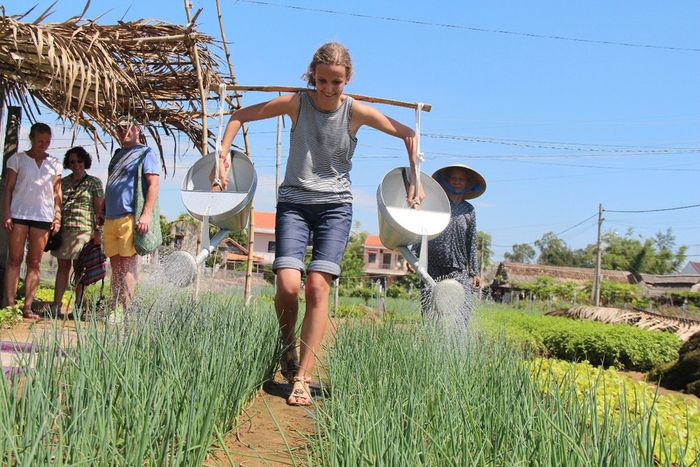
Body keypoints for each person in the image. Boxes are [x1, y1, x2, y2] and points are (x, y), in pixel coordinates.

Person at [216, 42, 422, 406]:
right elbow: (238, 117)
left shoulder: (356, 112)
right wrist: (223, 157)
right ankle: (287, 348)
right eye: (322, 80)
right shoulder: (297, 103)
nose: (327, 89)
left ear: (348, 80)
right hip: (294, 203)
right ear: (312, 74)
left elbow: (409, 133)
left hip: (334, 208)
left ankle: (303, 377)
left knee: (316, 287)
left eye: (336, 82)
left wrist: (416, 181)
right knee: (288, 284)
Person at [2, 123, 62, 320]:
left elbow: (57, 193)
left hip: (43, 216)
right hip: (19, 213)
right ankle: (10, 305)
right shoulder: (17, 159)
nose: (43, 145)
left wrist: (57, 215)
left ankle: (28, 307)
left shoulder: (54, 163)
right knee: (15, 259)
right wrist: (7, 213)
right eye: (40, 141)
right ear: (32, 139)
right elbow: (9, 188)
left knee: (35, 261)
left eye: (47, 142)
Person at [103, 116, 159, 311]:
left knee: (127, 266)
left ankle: (126, 310)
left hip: (129, 216)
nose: (123, 132)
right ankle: (114, 307)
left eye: (127, 128)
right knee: (115, 266)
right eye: (119, 128)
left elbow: (153, 184)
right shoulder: (117, 154)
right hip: (110, 217)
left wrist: (146, 214)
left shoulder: (145, 153)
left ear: (137, 129)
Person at [418, 164, 486, 323]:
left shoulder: (469, 210)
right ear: (447, 181)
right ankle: (429, 337)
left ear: (467, 184)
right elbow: (423, 229)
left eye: (461, 179)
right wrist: (416, 255)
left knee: (463, 305)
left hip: (458, 265)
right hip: (433, 264)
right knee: (430, 305)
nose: (457, 182)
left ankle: (459, 337)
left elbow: (472, 240)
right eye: (454, 178)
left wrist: (474, 271)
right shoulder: (438, 204)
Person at [51, 146, 104, 316]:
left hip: (85, 231)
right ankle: (56, 305)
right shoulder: (63, 182)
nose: (76, 165)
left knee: (80, 270)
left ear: (85, 162)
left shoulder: (94, 182)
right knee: (63, 267)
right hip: (65, 230)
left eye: (79, 161)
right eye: (72, 162)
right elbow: (56, 205)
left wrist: (98, 232)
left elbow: (99, 210)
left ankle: (79, 306)